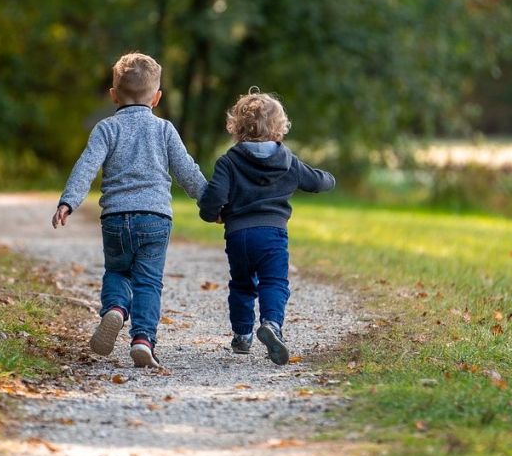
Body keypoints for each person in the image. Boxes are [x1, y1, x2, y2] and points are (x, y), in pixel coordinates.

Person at [52, 52, 207, 368]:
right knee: (148, 282)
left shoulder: (106, 129)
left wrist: (68, 201)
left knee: (117, 270)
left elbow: (86, 166)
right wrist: (210, 201)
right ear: (157, 97)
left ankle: (115, 309)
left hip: (115, 218)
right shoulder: (164, 129)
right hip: (155, 219)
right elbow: (186, 170)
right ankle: (143, 340)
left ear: (113, 95)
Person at [197, 89, 336, 365]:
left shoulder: (229, 161)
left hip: (238, 236)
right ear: (279, 128)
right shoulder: (287, 162)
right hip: (273, 235)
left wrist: (212, 214)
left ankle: (242, 335)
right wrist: (330, 179)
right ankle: (272, 324)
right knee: (274, 282)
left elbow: (214, 198)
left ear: (236, 127)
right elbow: (317, 182)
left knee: (241, 284)